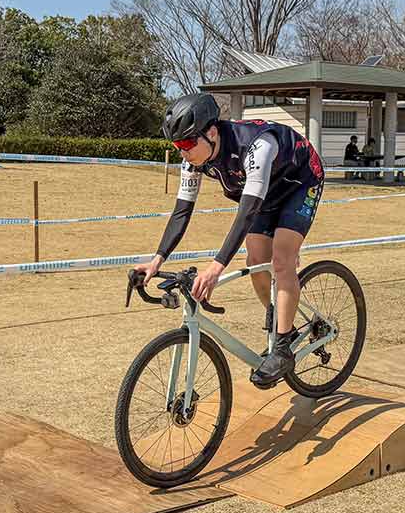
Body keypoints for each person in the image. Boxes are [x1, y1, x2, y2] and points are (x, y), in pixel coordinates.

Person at [135, 93, 324, 389]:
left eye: (187, 144)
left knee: (282, 259)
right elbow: (182, 212)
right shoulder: (193, 161)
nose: (183, 153)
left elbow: (246, 213)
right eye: (177, 147)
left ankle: (283, 348)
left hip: (300, 181)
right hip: (266, 191)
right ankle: (279, 315)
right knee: (255, 260)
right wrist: (157, 260)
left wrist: (216, 267)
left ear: (211, 133)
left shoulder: (258, 145)